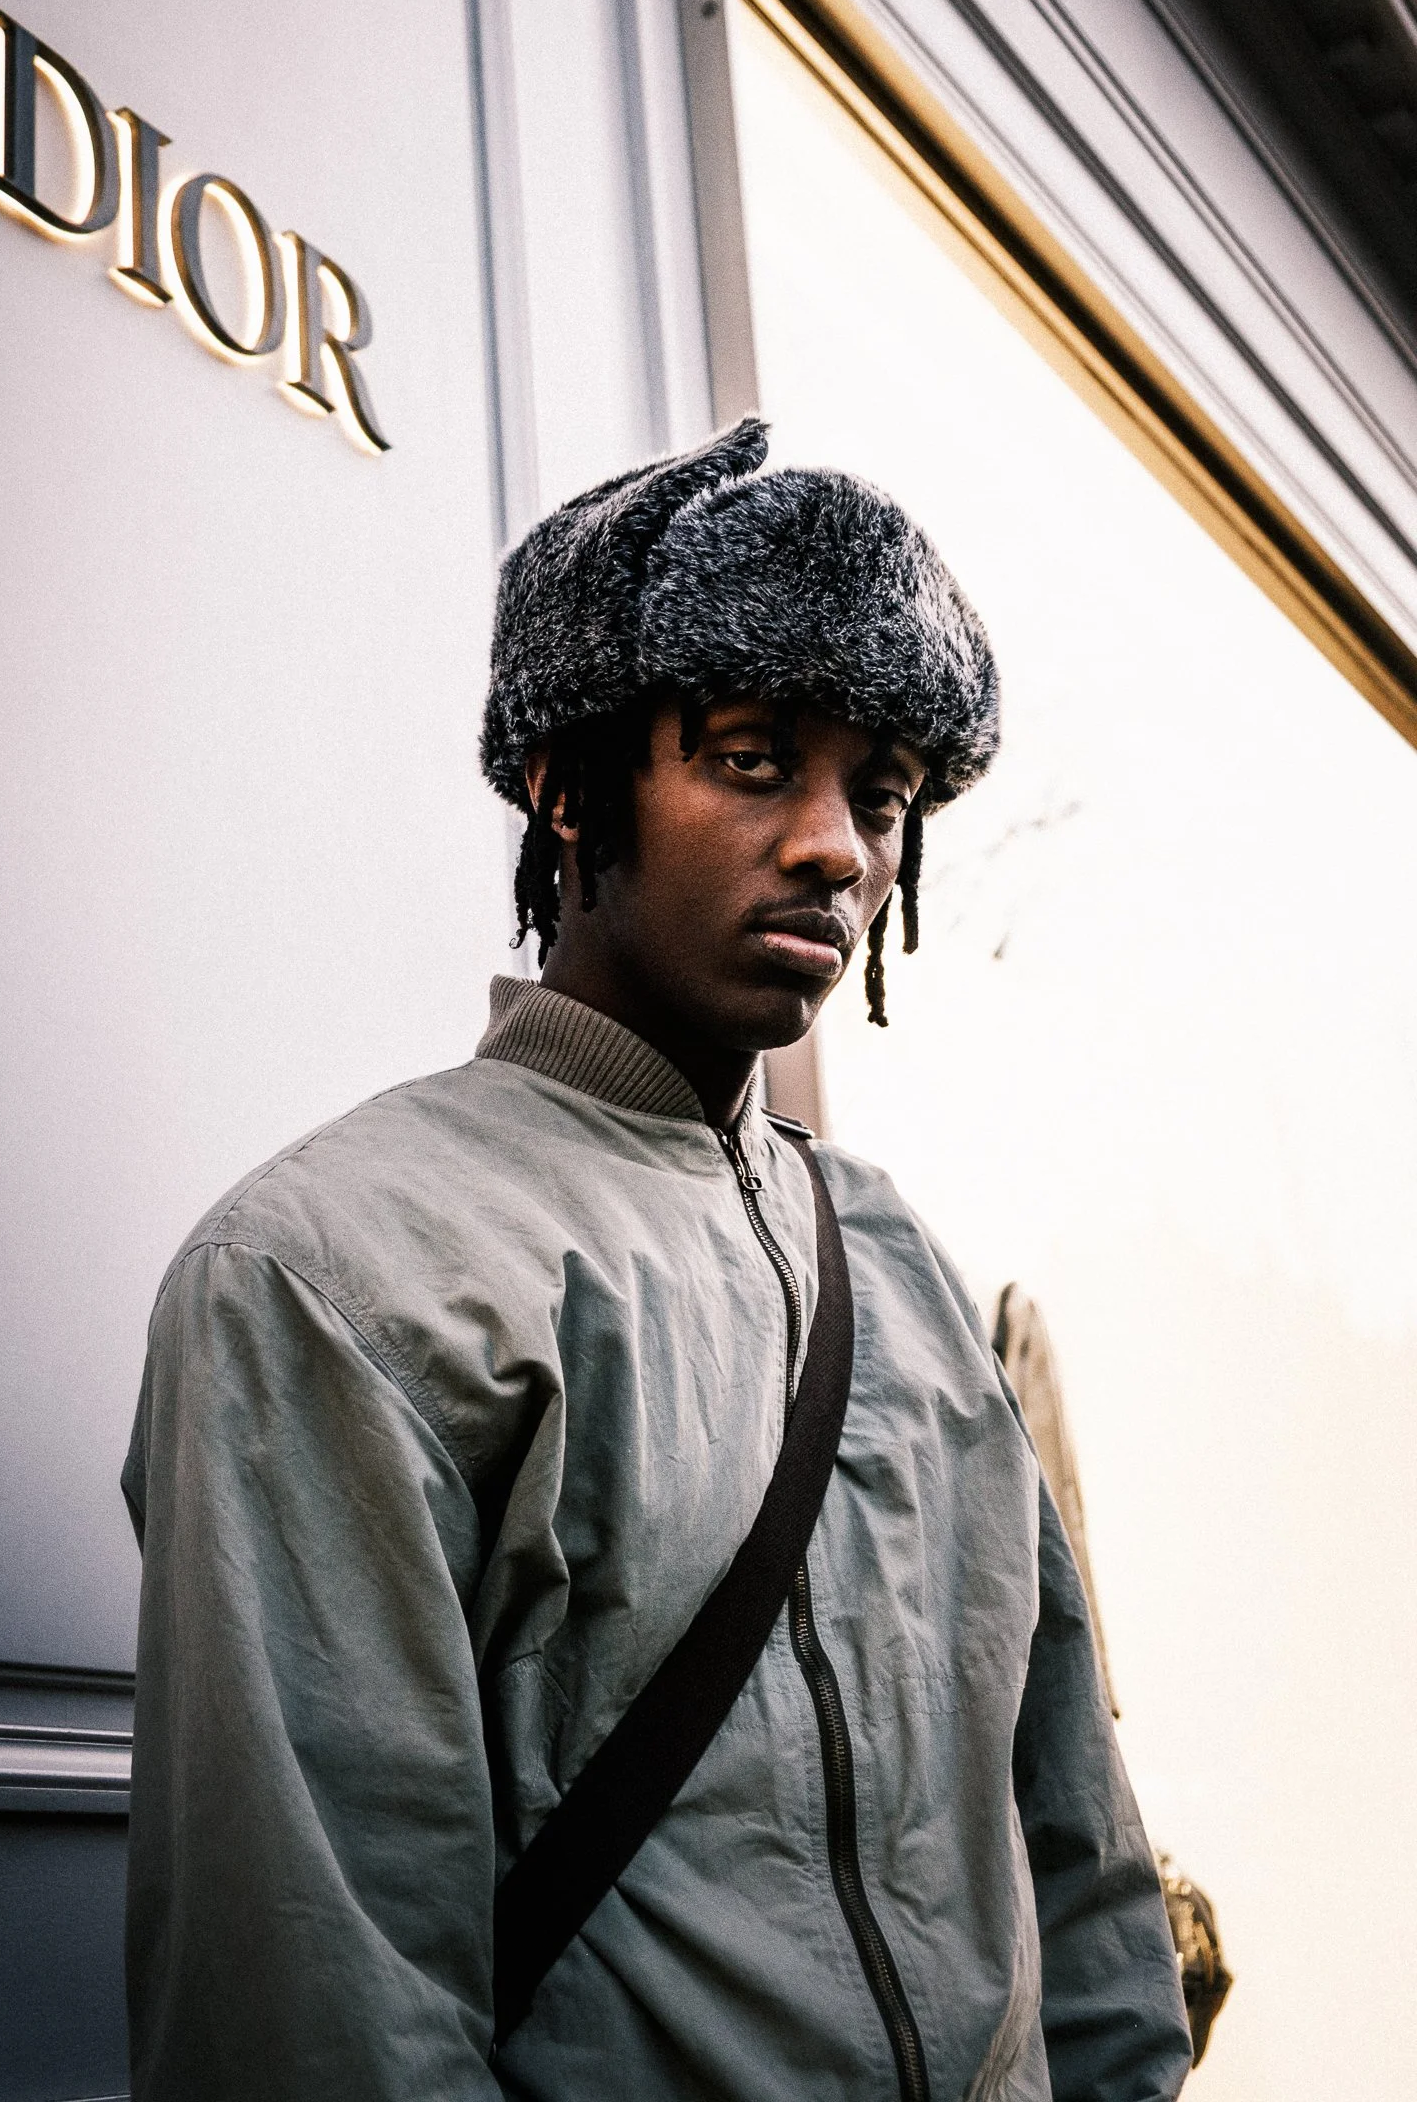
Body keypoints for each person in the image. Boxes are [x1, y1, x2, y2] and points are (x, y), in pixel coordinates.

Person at [121, 417, 1191, 2100]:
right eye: (755, 761)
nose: (840, 847)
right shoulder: (330, 1271)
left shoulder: (904, 1271)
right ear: (566, 785)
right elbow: (321, 2004)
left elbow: (1079, 1851)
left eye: (883, 796)